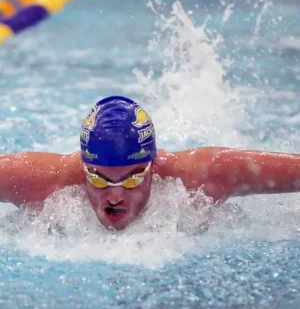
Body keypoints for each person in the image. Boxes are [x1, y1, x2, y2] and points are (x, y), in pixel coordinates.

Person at [1, 95, 300, 231]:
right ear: (83, 167)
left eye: (132, 178)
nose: (115, 195)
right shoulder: (42, 183)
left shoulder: (198, 178)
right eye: (99, 178)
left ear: (153, 166)